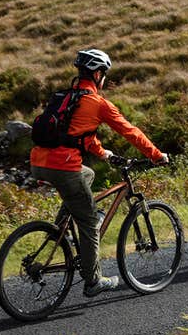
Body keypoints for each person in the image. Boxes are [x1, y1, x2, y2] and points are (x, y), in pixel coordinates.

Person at [30, 48, 169, 297]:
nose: (104, 78)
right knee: (90, 222)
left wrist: (104, 153)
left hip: (39, 162)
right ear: (96, 74)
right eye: (104, 73)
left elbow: (77, 136)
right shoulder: (98, 103)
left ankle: (62, 230)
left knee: (88, 175)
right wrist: (156, 155)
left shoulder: (66, 96)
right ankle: (93, 280)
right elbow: (131, 132)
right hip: (63, 167)